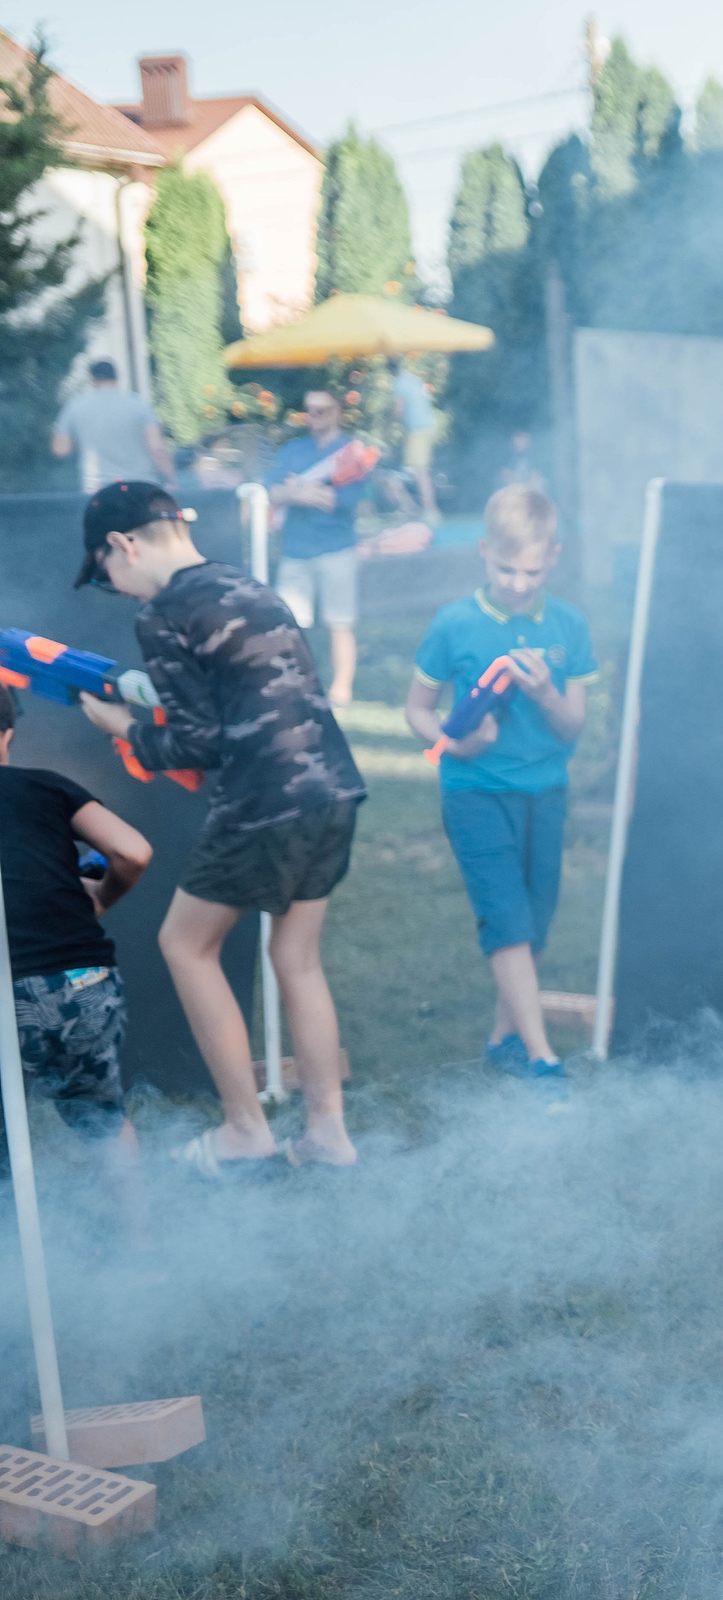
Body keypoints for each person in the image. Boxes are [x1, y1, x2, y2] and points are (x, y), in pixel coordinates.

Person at [73, 482, 368, 1175]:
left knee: (184, 944)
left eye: (107, 572)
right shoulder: (247, 585)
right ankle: (328, 1134)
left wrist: (122, 728)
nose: (118, 590)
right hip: (330, 789)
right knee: (297, 958)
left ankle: (245, 1128)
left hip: (263, 804)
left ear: (123, 544)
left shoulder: (166, 612)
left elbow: (200, 745)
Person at [403, 486, 595, 1079]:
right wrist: (455, 743)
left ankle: (501, 1045)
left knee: (534, 924)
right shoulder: (454, 623)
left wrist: (544, 692)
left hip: (547, 791)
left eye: (531, 570)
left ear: (554, 557)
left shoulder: (568, 624)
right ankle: (541, 1058)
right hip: (475, 791)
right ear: (483, 551)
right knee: (507, 919)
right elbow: (416, 710)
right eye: (505, 568)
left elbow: (571, 728)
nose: (517, 582)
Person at [0, 683, 157, 1251]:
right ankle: (138, 1253)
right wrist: (99, 899)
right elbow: (133, 852)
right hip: (78, 983)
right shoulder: (45, 786)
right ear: (9, 736)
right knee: (100, 1117)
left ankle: (16, 1273)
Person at [264, 388, 366, 708]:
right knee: (290, 624)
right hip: (296, 549)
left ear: (337, 411)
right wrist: (307, 493)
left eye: (322, 410)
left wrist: (296, 490)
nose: (314, 416)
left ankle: (341, 689)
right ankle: (296, 684)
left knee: (340, 621)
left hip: (336, 548)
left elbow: (343, 501)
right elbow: (271, 492)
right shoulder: (293, 450)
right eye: (310, 410)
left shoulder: (351, 452)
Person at [50, 360, 176, 494]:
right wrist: (171, 480)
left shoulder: (74, 407)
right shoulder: (140, 405)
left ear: (91, 378)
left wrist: (80, 437)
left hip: (97, 490)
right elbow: (157, 448)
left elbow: (60, 450)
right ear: (117, 376)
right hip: (141, 485)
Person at [391, 358, 439, 521]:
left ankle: (430, 511)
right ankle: (412, 508)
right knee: (413, 470)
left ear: (390, 371)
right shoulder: (414, 380)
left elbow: (398, 410)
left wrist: (388, 423)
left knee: (420, 472)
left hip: (417, 430)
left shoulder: (399, 382)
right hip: (428, 427)